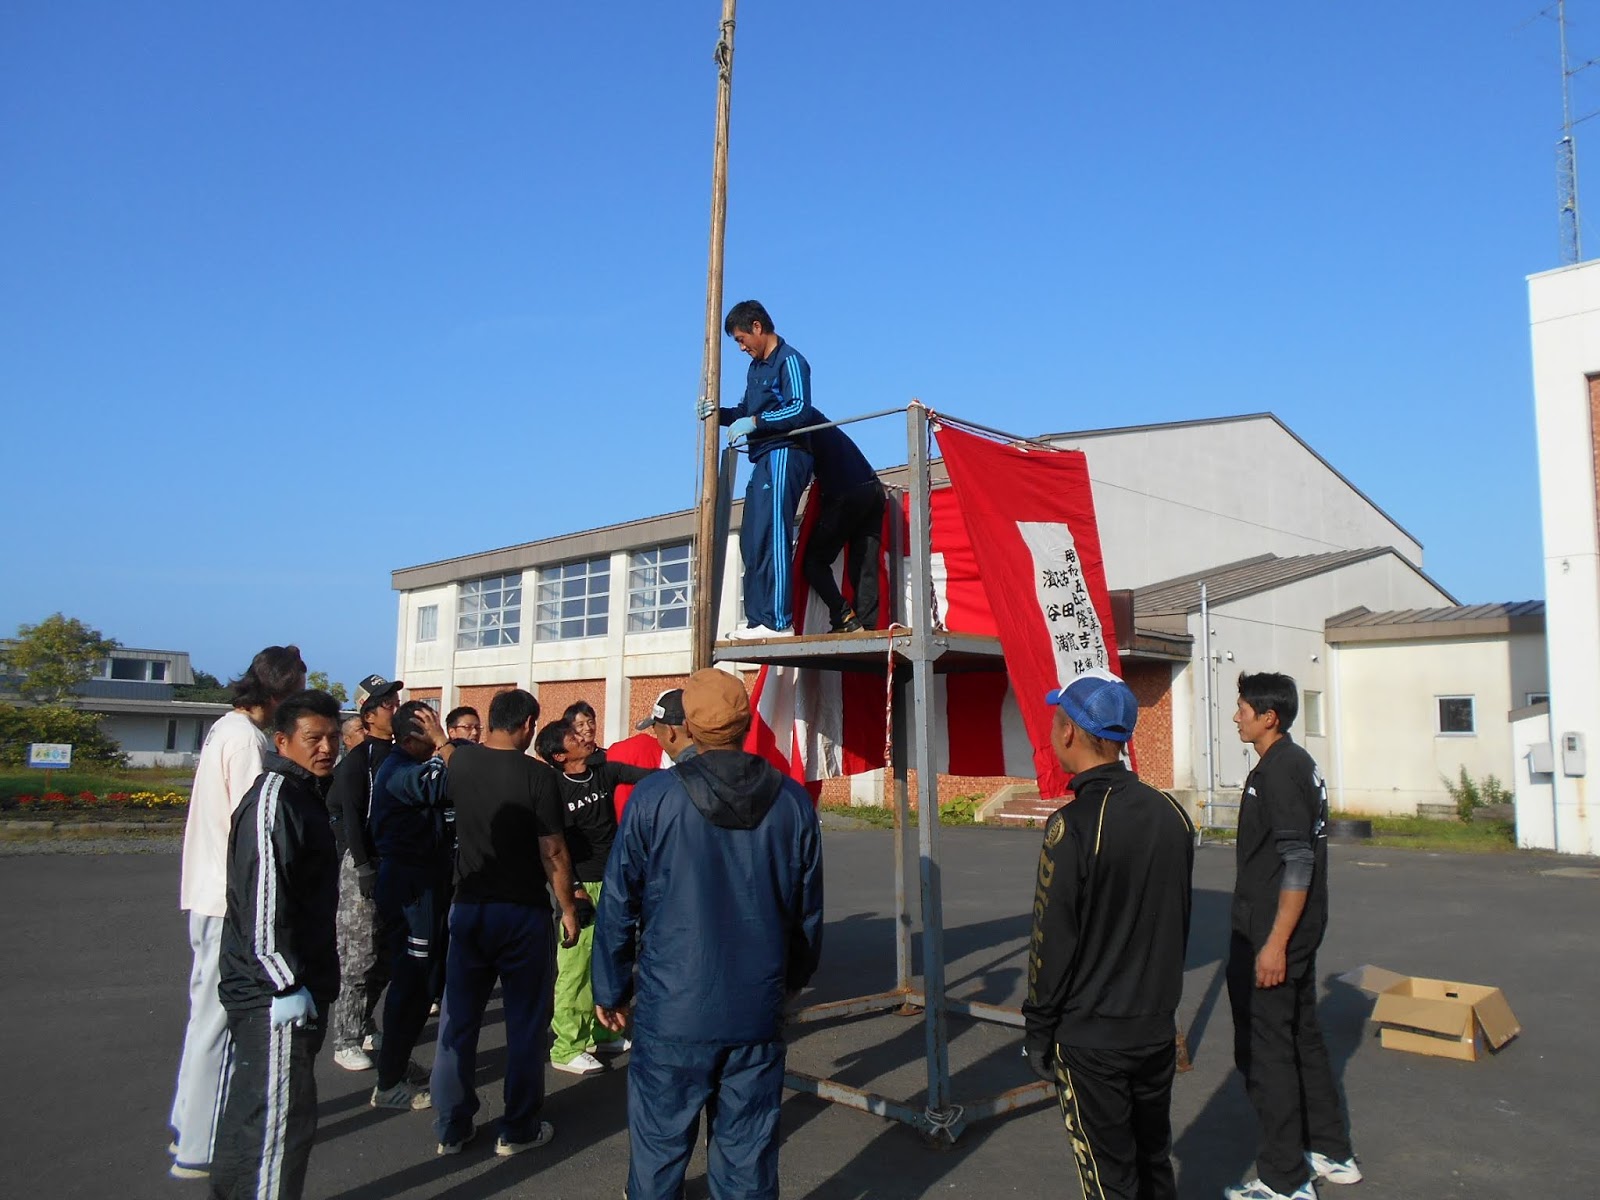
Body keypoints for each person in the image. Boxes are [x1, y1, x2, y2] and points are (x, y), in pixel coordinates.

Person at [594, 668, 824, 1200]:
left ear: (689, 725)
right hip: (754, 1007)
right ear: (745, 722)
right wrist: (791, 981)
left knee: (658, 1152)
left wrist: (609, 987)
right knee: (746, 1156)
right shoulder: (791, 803)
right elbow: (806, 911)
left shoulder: (654, 799)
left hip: (672, 1006)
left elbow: (619, 903)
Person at [1021, 668, 1194, 1200]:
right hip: (1153, 1028)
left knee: (1109, 1178)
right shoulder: (1173, 815)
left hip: (1093, 1037)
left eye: (1057, 720)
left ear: (1070, 732)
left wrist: (1039, 1027)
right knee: (1152, 1162)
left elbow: (1051, 941)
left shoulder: (1072, 825)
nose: (1053, 732)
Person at [169, 644, 306, 1181]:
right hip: (230, 899)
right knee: (219, 1019)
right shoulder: (247, 741)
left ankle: (188, 1123)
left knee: (204, 1013)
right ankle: (199, 1145)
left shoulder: (223, 729)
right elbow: (254, 833)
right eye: (298, 684)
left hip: (208, 893)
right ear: (281, 688)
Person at [1223, 672, 1359, 1200]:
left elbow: (1298, 861)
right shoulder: (1290, 763)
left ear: (1268, 717)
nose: (1237, 716)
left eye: (1242, 708)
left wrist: (1274, 944)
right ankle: (1330, 1151)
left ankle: (1284, 1179)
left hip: (1272, 936)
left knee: (1267, 1053)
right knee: (1302, 1039)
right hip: (1289, 933)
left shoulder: (1282, 770)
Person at [430, 689, 581, 1158]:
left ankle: (452, 1126)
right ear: (529, 724)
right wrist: (569, 908)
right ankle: (517, 1128)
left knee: (459, 1019)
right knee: (524, 1022)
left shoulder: (462, 764)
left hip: (469, 906)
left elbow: (450, 751)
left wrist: (439, 737)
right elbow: (552, 850)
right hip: (522, 912)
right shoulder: (540, 777)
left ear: (492, 721)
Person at [208, 689, 342, 1200]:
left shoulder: (306, 795)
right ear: (282, 741)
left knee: (257, 1114)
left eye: (333, 737)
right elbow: (263, 897)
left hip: (294, 984)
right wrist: (284, 983)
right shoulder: (274, 799)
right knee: (275, 1125)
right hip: (271, 994)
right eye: (313, 738)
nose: (326, 747)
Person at [534, 717, 659, 1075]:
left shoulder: (602, 769)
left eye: (584, 729)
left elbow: (645, 778)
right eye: (575, 736)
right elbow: (552, 848)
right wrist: (570, 890)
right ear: (559, 755)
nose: (585, 735)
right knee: (575, 968)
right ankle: (566, 1046)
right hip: (579, 885)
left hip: (613, 881)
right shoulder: (553, 788)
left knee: (611, 957)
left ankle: (604, 1030)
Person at [699, 300, 816, 640]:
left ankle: (779, 620)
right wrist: (717, 415)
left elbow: (799, 410)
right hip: (762, 458)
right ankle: (758, 619)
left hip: (785, 453)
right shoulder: (755, 369)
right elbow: (743, 410)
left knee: (774, 534)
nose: (740, 347)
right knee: (752, 539)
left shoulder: (790, 361)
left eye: (740, 338)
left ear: (757, 327)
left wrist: (757, 422)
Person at [366, 701, 458, 1112]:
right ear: (408, 738)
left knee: (427, 980)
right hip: (409, 887)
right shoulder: (398, 770)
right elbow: (441, 782)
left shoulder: (412, 764)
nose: (438, 741)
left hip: (429, 883)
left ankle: (398, 1063)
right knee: (411, 980)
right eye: (430, 732)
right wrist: (444, 743)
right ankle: (388, 1082)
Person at [325, 674, 402, 1072]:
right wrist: (363, 865)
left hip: (394, 866)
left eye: (396, 700)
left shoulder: (400, 753)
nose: (395, 708)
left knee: (386, 954)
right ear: (369, 714)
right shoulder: (359, 760)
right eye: (388, 703)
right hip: (363, 867)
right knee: (358, 955)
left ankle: (365, 1022)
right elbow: (349, 816)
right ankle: (345, 1039)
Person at [799, 411, 886, 632]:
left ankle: (843, 614)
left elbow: (799, 472)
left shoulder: (797, 419)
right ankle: (866, 625)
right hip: (873, 488)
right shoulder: (822, 424)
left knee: (814, 562)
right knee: (864, 563)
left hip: (845, 492)